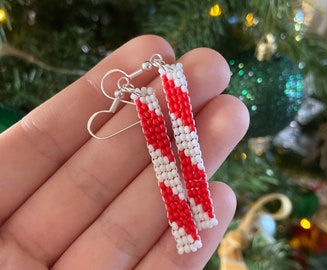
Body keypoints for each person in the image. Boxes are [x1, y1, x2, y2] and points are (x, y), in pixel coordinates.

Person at [0, 35, 249, 269]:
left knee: (190, 155)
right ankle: (190, 229)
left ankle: (194, 226)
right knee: (178, 172)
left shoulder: (162, 93)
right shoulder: (149, 104)